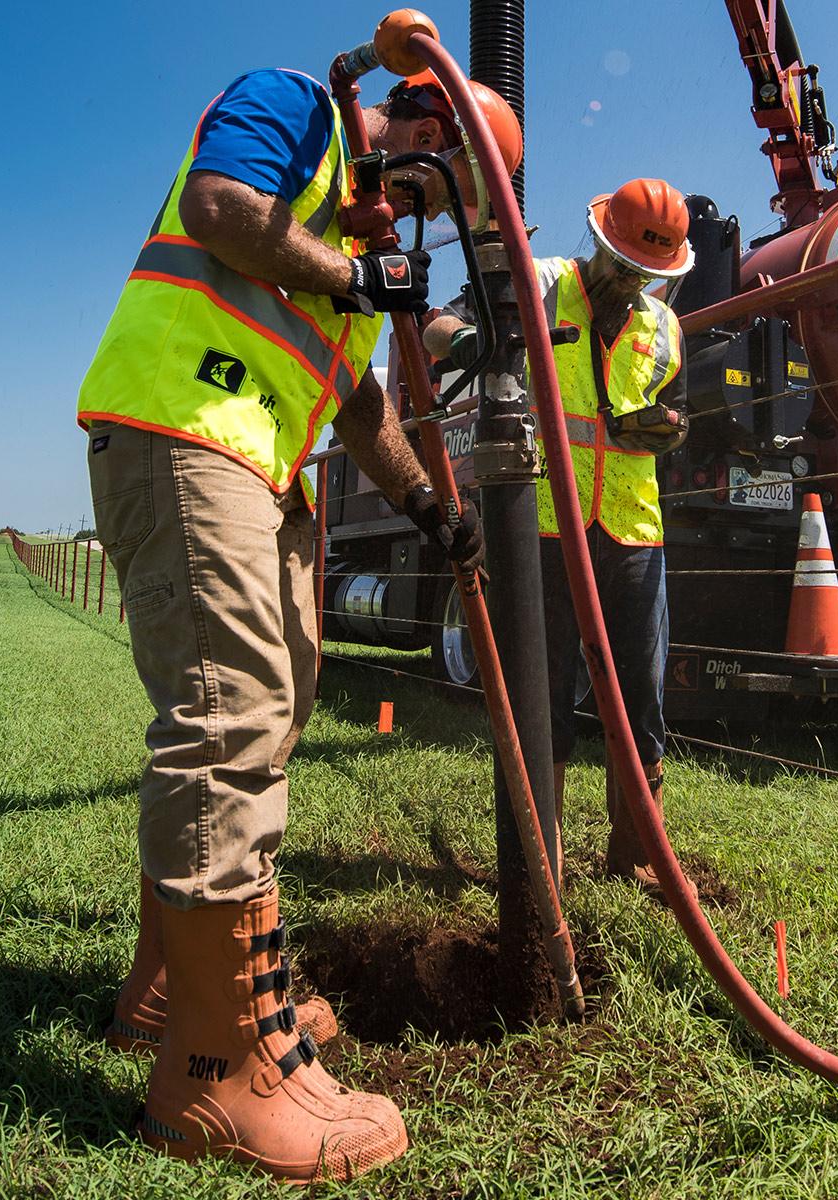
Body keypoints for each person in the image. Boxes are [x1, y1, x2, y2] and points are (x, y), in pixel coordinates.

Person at [77, 66, 521, 1184]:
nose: (417, 216)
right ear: (419, 124)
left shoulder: (349, 241)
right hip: (188, 423)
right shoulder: (295, 109)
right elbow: (217, 209)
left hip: (257, 465)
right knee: (228, 721)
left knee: (273, 715)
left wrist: (428, 506)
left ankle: (175, 991)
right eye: (433, 190)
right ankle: (217, 1073)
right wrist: (361, 272)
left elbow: (357, 400)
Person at [424, 178, 690, 898]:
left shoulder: (665, 327)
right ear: (599, 242)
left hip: (633, 530)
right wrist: (477, 343)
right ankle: (543, 857)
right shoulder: (539, 283)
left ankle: (636, 854)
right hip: (542, 524)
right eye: (623, 264)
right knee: (543, 694)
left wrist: (665, 429)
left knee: (641, 696)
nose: (631, 281)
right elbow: (437, 326)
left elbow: (673, 413)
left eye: (647, 272)